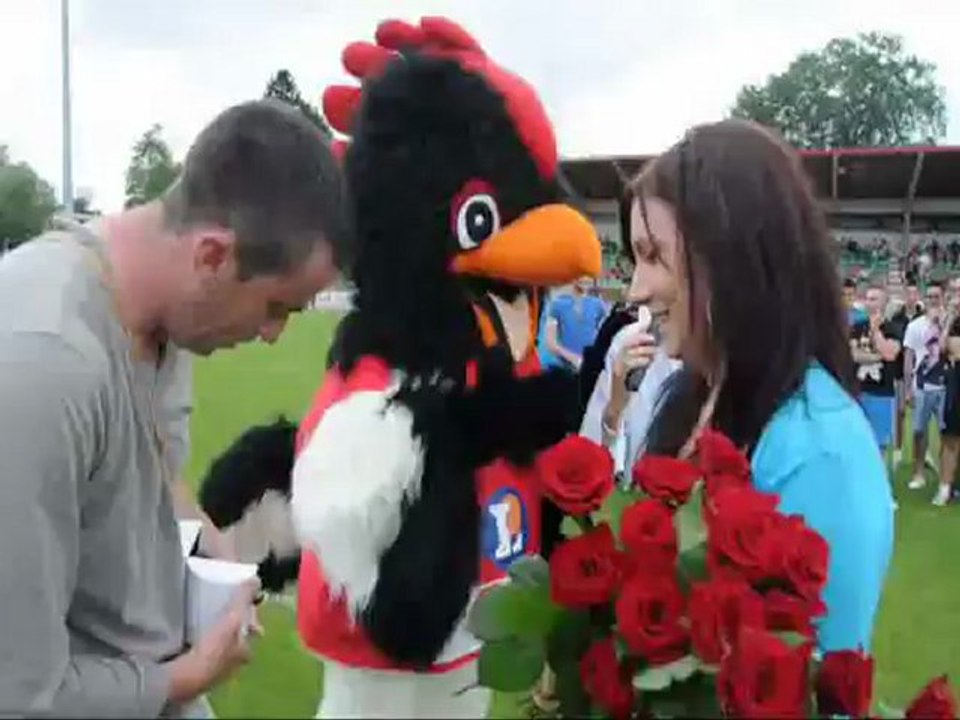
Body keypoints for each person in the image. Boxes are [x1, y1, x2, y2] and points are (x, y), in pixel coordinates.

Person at [0, 99, 348, 717]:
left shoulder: (170, 318)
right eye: (278, 308)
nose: (273, 335)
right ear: (213, 256)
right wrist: (190, 675)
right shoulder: (44, 365)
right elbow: (19, 693)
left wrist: (217, 555)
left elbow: (147, 471)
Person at [621, 119, 893, 653]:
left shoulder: (821, 448)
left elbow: (810, 682)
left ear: (730, 258)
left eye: (653, 256)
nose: (636, 288)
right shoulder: (690, 394)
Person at [904, 282, 948, 492]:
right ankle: (919, 472)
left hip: (945, 385)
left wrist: (943, 325)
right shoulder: (915, 325)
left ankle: (944, 475)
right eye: (929, 296)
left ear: (943, 297)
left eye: (936, 296)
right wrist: (907, 388)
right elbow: (909, 357)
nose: (933, 300)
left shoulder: (950, 322)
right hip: (921, 385)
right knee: (919, 431)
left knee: (945, 433)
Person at [850, 285, 901, 461]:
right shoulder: (856, 326)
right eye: (867, 299)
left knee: (879, 445)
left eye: (874, 299)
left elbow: (889, 354)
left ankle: (879, 484)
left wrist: (875, 331)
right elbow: (852, 355)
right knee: (856, 443)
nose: (869, 303)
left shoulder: (894, 328)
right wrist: (876, 356)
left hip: (881, 394)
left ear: (885, 303)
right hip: (857, 392)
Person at [544, 276, 607, 372]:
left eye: (589, 275)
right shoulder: (557, 305)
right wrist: (574, 359)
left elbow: (604, 336)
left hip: (591, 369)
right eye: (582, 274)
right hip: (566, 370)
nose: (586, 279)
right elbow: (551, 344)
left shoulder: (598, 305)